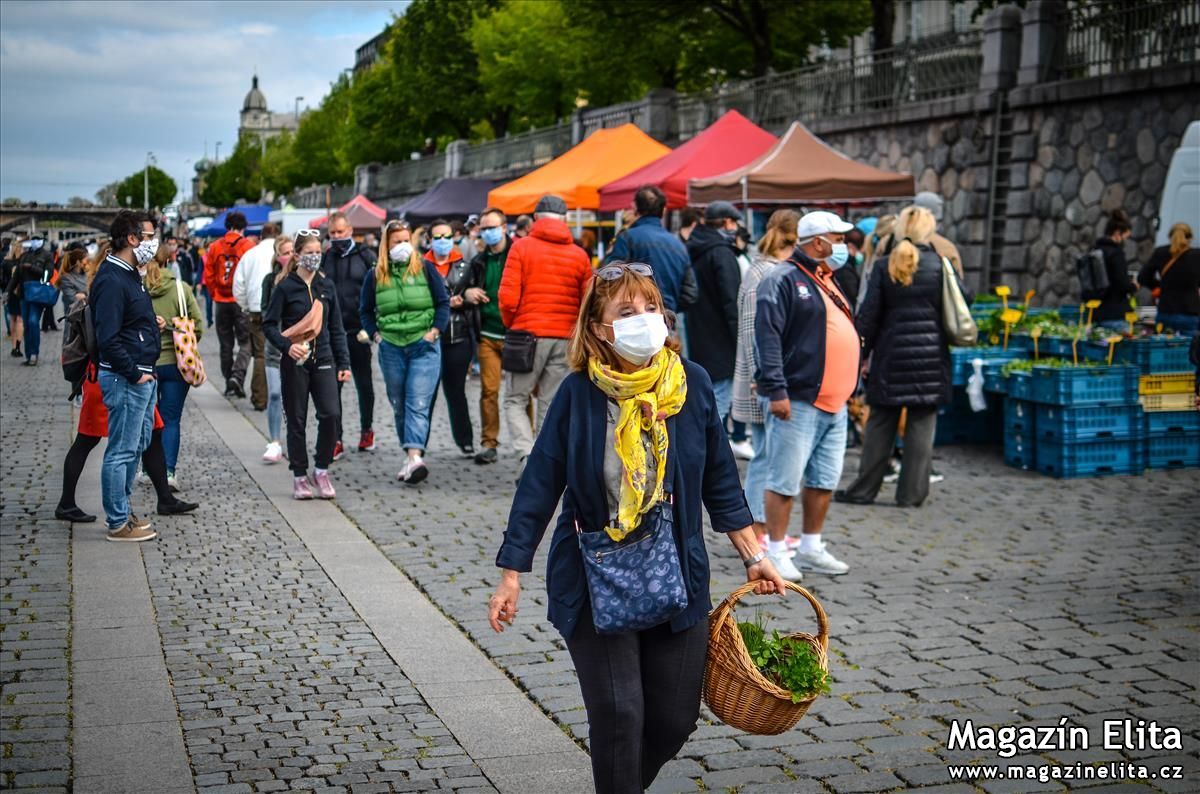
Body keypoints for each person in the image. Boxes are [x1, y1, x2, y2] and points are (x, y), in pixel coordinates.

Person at [487, 262, 787, 794]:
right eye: (626, 312)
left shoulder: (689, 383)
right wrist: (512, 571)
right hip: (593, 569)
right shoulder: (579, 394)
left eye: (651, 307)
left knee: (674, 719)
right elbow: (539, 483)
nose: (645, 320)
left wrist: (753, 553)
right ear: (600, 327)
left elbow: (719, 477)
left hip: (678, 570)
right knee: (620, 715)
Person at [836, 206, 968, 508]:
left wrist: (861, 356)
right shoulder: (940, 264)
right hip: (931, 359)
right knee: (921, 428)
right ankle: (911, 494)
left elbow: (868, 315)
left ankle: (864, 490)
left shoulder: (884, 265)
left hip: (890, 358)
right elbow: (964, 300)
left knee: (880, 424)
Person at [754, 210, 858, 579]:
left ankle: (811, 545)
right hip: (798, 399)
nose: (844, 245)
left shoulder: (826, 278)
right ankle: (778, 550)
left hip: (834, 400)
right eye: (839, 238)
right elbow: (767, 337)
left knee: (824, 479)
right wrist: (777, 389)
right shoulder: (782, 278)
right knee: (784, 478)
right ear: (818, 242)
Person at [498, 194, 592, 474]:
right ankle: (544, 460)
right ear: (564, 220)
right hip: (565, 337)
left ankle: (526, 454)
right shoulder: (579, 254)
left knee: (515, 398)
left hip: (527, 335)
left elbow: (507, 298)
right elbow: (588, 300)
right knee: (550, 403)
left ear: (536, 218)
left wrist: (512, 324)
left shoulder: (521, 248)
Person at [731, 210, 801, 575]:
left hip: (759, 375)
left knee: (763, 454)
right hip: (763, 378)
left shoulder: (762, 267)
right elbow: (758, 332)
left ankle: (757, 527)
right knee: (765, 457)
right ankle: (757, 527)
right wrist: (767, 379)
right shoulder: (767, 271)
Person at [90, 211, 164, 541]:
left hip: (140, 374)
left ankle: (124, 511)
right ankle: (117, 521)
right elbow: (108, 338)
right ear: (132, 239)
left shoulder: (130, 274)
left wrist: (150, 326)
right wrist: (134, 374)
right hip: (126, 377)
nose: (153, 243)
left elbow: (128, 322)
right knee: (121, 449)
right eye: (149, 237)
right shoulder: (112, 278)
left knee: (137, 445)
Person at [263, 230, 352, 500]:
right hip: (295, 362)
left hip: (324, 359)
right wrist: (287, 347)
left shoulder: (327, 287)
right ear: (298, 255)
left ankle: (322, 469)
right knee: (297, 419)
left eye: (317, 252)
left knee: (331, 415)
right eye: (309, 253)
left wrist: (343, 362)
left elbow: (337, 327)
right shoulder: (285, 287)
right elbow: (268, 325)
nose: (314, 257)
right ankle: (299, 474)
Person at [359, 222, 450, 484]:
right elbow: (365, 309)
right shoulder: (375, 275)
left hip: (424, 345)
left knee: (417, 402)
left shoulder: (425, 268)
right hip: (391, 347)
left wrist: (434, 331)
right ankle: (409, 456)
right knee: (399, 404)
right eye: (396, 241)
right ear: (386, 245)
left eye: (405, 240)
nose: (402, 246)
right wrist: (376, 334)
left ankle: (414, 457)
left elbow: (442, 302)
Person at [686, 201, 745, 453]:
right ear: (725, 223)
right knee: (718, 403)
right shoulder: (721, 252)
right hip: (722, 341)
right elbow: (732, 302)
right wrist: (740, 341)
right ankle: (708, 455)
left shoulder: (695, 248)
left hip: (698, 334)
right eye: (733, 223)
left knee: (705, 398)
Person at [145, 245, 204, 489]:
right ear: (169, 260)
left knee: (146, 419)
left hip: (146, 364)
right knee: (170, 420)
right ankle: (168, 472)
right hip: (178, 364)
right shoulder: (181, 289)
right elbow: (198, 327)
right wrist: (174, 326)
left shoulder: (137, 290)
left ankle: (147, 469)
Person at [323, 211, 377, 456]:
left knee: (364, 384)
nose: (337, 237)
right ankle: (336, 438)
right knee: (334, 389)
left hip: (359, 331)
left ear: (350, 230)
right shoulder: (326, 258)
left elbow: (378, 291)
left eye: (341, 232)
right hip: (335, 333)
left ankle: (367, 429)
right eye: (333, 233)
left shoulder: (365, 256)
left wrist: (373, 325)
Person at [425, 219, 478, 456]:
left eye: (447, 236)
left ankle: (465, 439)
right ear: (430, 240)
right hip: (429, 337)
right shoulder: (421, 266)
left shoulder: (465, 266)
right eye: (438, 237)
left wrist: (465, 298)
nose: (443, 241)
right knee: (427, 393)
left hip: (458, 336)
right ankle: (418, 444)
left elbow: (475, 296)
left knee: (456, 391)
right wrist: (447, 302)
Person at [467, 207, 511, 464]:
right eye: (484, 228)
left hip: (515, 335)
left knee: (520, 394)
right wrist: (471, 292)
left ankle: (526, 445)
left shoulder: (517, 254)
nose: (489, 232)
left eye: (492, 227)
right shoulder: (479, 261)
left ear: (504, 227)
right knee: (489, 391)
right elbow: (466, 289)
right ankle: (489, 442)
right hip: (487, 332)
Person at [606, 185, 692, 314]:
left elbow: (611, 277)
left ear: (635, 207)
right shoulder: (678, 245)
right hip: (666, 317)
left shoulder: (627, 238)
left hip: (634, 316)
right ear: (663, 211)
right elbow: (690, 293)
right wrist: (666, 308)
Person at [203, 211, 256, 397]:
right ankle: (238, 376)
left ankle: (228, 382)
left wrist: (214, 293)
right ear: (243, 227)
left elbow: (208, 275)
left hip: (221, 300)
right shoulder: (248, 246)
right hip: (240, 301)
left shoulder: (215, 246)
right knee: (246, 342)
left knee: (225, 345)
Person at [232, 222, 281, 412]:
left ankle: (260, 398)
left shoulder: (250, 254)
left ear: (261, 236)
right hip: (280, 309)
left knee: (260, 354)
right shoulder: (283, 253)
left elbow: (238, 285)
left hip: (255, 309)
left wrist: (247, 306)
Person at [259, 236, 292, 463]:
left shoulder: (301, 280)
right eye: (284, 252)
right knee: (274, 393)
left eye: (291, 251)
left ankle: (293, 439)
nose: (288, 256)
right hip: (274, 345)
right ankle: (275, 440)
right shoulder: (270, 280)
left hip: (296, 345)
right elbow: (264, 312)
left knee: (293, 397)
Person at [1138, 222, 1199, 334]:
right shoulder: (1197, 255)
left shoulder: (1160, 252)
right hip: (1189, 313)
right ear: (1190, 238)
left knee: (1162, 349)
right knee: (1189, 349)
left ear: (1170, 236)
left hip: (1165, 311)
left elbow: (1142, 277)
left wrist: (1158, 286)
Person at [1092, 209, 1136, 329]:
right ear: (1117, 233)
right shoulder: (1116, 253)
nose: (1124, 242)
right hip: (1115, 314)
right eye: (1124, 237)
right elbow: (1123, 284)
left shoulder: (1095, 251)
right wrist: (1133, 286)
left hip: (1096, 313)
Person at [16, 235, 54, 365]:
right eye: (33, 239)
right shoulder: (24, 255)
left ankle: (34, 353)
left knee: (33, 322)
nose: (34, 242)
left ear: (42, 242)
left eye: (37, 240)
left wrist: (32, 267)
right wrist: (7, 292)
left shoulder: (47, 255)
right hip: (24, 295)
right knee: (27, 325)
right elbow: (16, 276)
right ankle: (28, 354)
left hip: (38, 295)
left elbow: (48, 275)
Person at [2, 236, 25, 357]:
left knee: (12, 319)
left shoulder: (6, 262)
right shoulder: (23, 262)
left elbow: (2, 279)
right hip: (21, 292)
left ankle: (13, 345)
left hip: (10, 292)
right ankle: (18, 347)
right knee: (20, 320)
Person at [57, 246, 90, 318]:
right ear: (78, 262)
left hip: (86, 317)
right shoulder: (66, 278)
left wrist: (84, 296)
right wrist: (87, 296)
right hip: (73, 319)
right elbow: (72, 298)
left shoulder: (87, 275)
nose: (87, 262)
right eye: (85, 260)